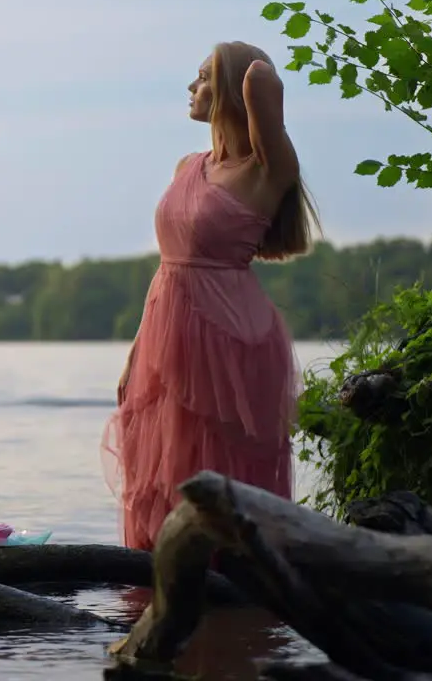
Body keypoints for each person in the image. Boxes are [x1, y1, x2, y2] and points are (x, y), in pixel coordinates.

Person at [100, 41, 319, 550]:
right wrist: (136, 354)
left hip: (231, 340)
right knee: (164, 473)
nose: (191, 87)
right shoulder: (187, 167)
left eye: (202, 78)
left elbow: (264, 78)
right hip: (167, 336)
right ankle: (163, 597)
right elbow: (167, 269)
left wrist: (233, 61)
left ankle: (239, 605)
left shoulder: (268, 168)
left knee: (225, 471)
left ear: (228, 90)